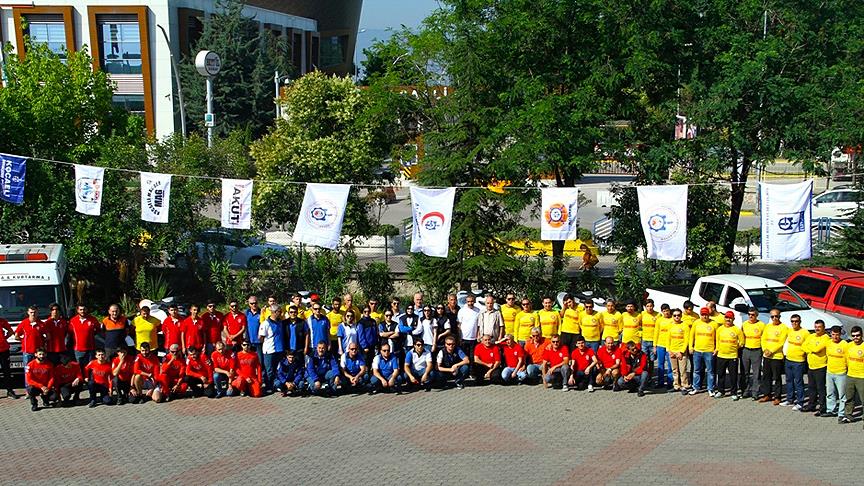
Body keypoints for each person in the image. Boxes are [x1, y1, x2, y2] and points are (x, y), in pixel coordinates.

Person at [758, 309, 788, 406]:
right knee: (766, 376)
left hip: (776, 356)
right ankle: (767, 394)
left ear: (779, 316)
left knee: (777, 377)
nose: (774, 318)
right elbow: (763, 339)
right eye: (772, 316)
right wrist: (765, 349)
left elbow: (781, 342)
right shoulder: (768, 326)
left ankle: (777, 397)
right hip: (767, 355)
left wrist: (771, 351)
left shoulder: (784, 328)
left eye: (776, 316)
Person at [715, 311, 745, 400]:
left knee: (733, 376)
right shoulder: (720, 329)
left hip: (732, 356)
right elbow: (717, 341)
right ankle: (721, 391)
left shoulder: (737, 330)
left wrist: (735, 347)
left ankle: (734, 392)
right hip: (721, 355)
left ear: (733, 319)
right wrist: (717, 349)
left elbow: (742, 342)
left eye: (730, 318)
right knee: (721, 374)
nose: (728, 319)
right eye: (727, 317)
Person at [782, 314, 809, 410]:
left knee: (798, 381)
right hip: (789, 359)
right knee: (789, 380)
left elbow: (808, 346)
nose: (794, 323)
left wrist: (804, 355)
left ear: (800, 322)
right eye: (792, 321)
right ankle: (790, 399)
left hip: (799, 361)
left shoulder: (805, 333)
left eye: (796, 321)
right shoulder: (789, 331)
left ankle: (800, 402)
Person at [803, 320, 829, 415]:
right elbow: (803, 346)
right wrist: (811, 349)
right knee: (811, 387)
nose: (817, 329)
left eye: (819, 327)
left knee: (820, 388)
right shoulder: (811, 336)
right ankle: (811, 405)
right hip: (811, 366)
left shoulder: (826, 338)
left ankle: (822, 407)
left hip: (821, 367)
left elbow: (816, 349)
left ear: (823, 328)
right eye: (816, 327)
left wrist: (810, 348)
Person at [690, 308, 718, 396]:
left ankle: (711, 389)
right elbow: (691, 336)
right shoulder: (696, 323)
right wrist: (690, 347)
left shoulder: (714, 324)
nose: (704, 316)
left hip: (709, 351)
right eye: (702, 315)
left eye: (706, 314)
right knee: (696, 370)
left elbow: (717, 338)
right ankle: (696, 387)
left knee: (710, 371)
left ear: (709, 315)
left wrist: (716, 348)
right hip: (697, 351)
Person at [739, 307, 765, 399]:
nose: (750, 316)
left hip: (756, 351)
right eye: (749, 314)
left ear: (757, 315)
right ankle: (745, 391)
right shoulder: (744, 324)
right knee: (744, 372)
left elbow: (764, 338)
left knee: (756, 373)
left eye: (753, 315)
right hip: (746, 350)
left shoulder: (762, 325)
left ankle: (755, 392)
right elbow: (741, 337)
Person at [258, 305, 285, 390]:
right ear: (274, 312)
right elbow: (261, 337)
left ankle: (276, 385)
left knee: (278, 369)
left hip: (280, 350)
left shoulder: (280, 322)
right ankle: (269, 386)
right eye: (279, 312)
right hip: (269, 350)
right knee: (269, 370)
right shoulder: (265, 324)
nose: (281, 313)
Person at [17, 306, 45, 386]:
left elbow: (48, 336)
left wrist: (42, 341)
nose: (33, 314)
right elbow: (16, 336)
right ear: (28, 313)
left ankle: (39, 387)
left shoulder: (41, 324)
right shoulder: (23, 323)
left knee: (39, 370)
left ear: (37, 313)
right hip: (27, 352)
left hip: (39, 352)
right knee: (28, 371)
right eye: (31, 312)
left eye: (35, 312)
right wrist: (23, 341)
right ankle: (28, 388)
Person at [825, 326, 849, 421]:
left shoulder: (844, 344)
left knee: (842, 395)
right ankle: (831, 410)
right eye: (833, 334)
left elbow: (848, 358)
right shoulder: (828, 343)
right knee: (830, 393)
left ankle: (841, 413)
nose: (835, 337)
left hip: (841, 373)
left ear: (840, 334)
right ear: (830, 334)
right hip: (830, 372)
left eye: (837, 335)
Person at [842, 326, 864, 425]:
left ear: (861, 335)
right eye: (854, 336)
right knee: (849, 398)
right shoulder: (849, 345)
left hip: (862, 377)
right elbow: (846, 359)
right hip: (850, 376)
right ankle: (848, 415)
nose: (856, 338)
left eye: (858, 335)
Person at [68, 304, 98, 371]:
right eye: (80, 309)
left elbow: (97, 330)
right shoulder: (73, 320)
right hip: (78, 349)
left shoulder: (93, 319)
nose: (82, 311)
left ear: (86, 310)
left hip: (90, 349)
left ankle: (89, 378)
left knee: (90, 368)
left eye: (84, 309)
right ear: (77, 310)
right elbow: (70, 332)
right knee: (79, 368)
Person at [668, 309, 691, 394]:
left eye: (678, 315)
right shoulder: (670, 325)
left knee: (683, 370)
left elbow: (686, 340)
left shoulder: (685, 326)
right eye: (674, 315)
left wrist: (681, 351)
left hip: (681, 352)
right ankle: (676, 385)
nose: (676, 317)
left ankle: (684, 386)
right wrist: (669, 350)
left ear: (681, 316)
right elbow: (668, 339)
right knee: (674, 370)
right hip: (672, 351)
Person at [653, 304, 675, 389]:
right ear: (662, 312)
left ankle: (670, 382)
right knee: (660, 364)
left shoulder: (673, 319)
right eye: (664, 311)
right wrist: (655, 346)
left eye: (667, 310)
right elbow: (656, 333)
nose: (666, 312)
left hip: (670, 346)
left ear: (670, 310)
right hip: (660, 345)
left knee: (670, 364)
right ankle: (660, 382)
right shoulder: (659, 320)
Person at [640, 299, 659, 380]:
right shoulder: (642, 314)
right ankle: (644, 376)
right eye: (647, 306)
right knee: (644, 359)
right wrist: (640, 334)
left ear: (653, 306)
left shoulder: (658, 315)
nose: (649, 308)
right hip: (644, 340)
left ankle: (650, 377)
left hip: (653, 341)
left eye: (651, 306)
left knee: (651, 360)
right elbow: (638, 325)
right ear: (645, 307)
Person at [0, 316, 17, 398]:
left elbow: (10, 331)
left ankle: (10, 391)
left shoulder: (2, 321)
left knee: (7, 371)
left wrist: (4, 338)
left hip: (4, 350)